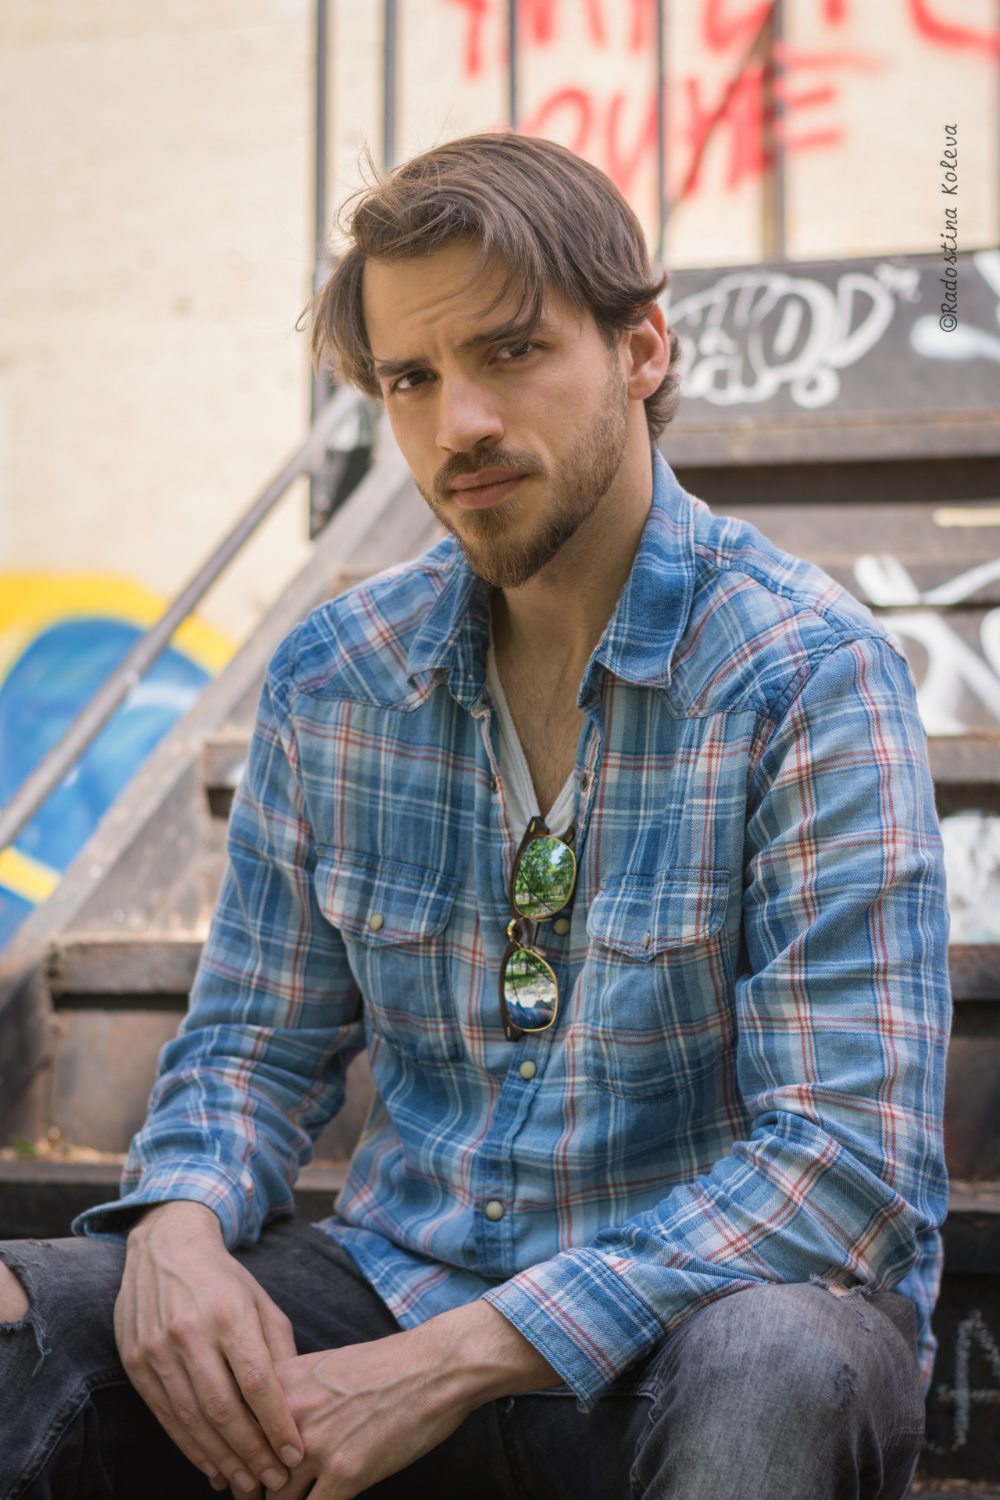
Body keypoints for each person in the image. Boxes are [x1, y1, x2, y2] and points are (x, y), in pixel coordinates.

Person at [0, 133, 949, 1500]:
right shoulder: (337, 676)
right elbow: (251, 1046)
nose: (458, 425)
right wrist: (178, 1226)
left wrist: (451, 1362)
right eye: (411, 378)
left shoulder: (806, 676)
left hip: (690, 1344)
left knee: (783, 1363)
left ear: (642, 348)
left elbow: (846, 1164)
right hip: (391, 1290)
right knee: (23, 1322)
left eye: (510, 352)